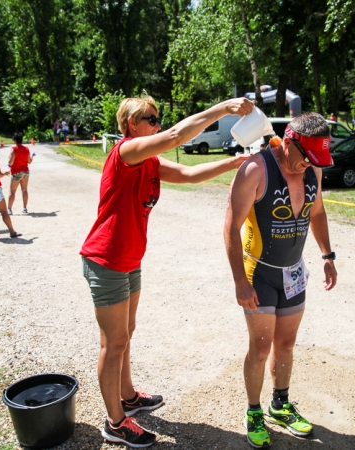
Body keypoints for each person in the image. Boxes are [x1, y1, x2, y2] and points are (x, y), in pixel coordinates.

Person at [80, 95, 253, 448]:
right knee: (113, 344)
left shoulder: (149, 163)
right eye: (151, 118)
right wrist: (222, 108)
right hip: (107, 259)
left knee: (126, 333)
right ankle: (115, 423)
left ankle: (128, 397)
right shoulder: (126, 153)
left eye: (159, 118)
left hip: (129, 260)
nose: (158, 124)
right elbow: (176, 136)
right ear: (131, 124)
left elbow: (189, 174)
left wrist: (238, 161)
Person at [223, 112, 338, 448]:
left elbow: (316, 212)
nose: (308, 166)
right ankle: (254, 411)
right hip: (258, 273)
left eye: (315, 161)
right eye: (305, 158)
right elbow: (230, 228)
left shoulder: (313, 169)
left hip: (293, 272)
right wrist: (240, 282)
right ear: (288, 143)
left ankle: (280, 404)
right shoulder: (255, 170)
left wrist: (327, 256)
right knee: (260, 347)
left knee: (285, 344)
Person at [7, 132, 33, 215]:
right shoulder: (26, 149)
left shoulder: (14, 149)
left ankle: (9, 209)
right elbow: (29, 161)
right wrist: (32, 156)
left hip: (16, 171)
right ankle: (24, 208)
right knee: (24, 190)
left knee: (12, 192)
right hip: (25, 171)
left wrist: (9, 158)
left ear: (15, 140)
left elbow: (10, 162)